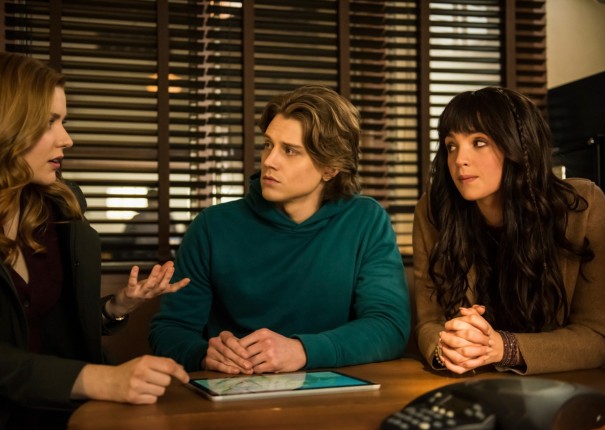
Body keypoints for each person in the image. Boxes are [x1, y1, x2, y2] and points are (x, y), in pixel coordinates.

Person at [0, 52, 190, 430]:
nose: (67, 139)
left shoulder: (56, 214)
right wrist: (102, 379)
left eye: (64, 121)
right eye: (48, 122)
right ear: (1, 126)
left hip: (67, 416)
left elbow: (53, 329)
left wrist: (115, 307)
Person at [150, 85, 410, 374]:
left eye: (290, 150)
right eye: (268, 145)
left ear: (330, 168)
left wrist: (302, 350)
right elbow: (170, 331)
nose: (269, 161)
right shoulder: (212, 226)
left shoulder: (365, 220)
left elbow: (389, 327)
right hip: (237, 386)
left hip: (335, 388)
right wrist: (203, 354)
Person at [413, 86, 605, 375]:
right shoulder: (434, 211)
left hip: (563, 385)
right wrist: (446, 346)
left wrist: (504, 348)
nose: (459, 159)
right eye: (451, 145)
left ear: (519, 145)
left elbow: (599, 337)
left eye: (479, 142)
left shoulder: (582, 206)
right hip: (471, 383)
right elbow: (429, 322)